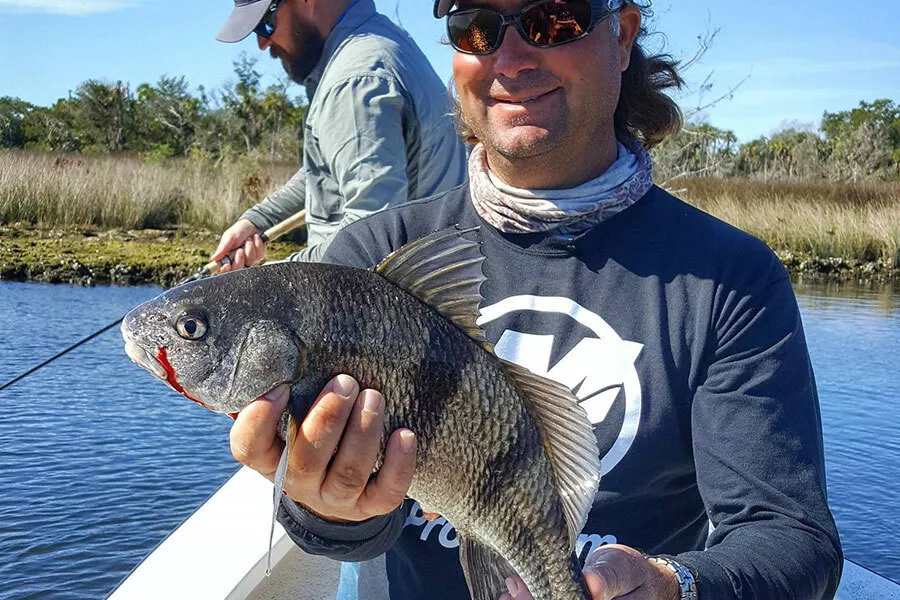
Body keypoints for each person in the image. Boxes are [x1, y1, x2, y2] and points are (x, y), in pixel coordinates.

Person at [229, 0, 844, 598]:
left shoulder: (729, 280)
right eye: (477, 27)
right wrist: (328, 505)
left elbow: (791, 538)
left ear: (623, 35)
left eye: (554, 20)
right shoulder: (375, 253)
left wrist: (670, 586)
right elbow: (342, 535)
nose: (512, 57)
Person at [212, 0, 467, 270]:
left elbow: (371, 236)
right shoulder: (382, 39)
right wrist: (257, 220)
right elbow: (329, 170)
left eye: (266, 23)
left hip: (382, 304)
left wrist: (265, 279)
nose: (263, 43)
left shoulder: (354, 81)